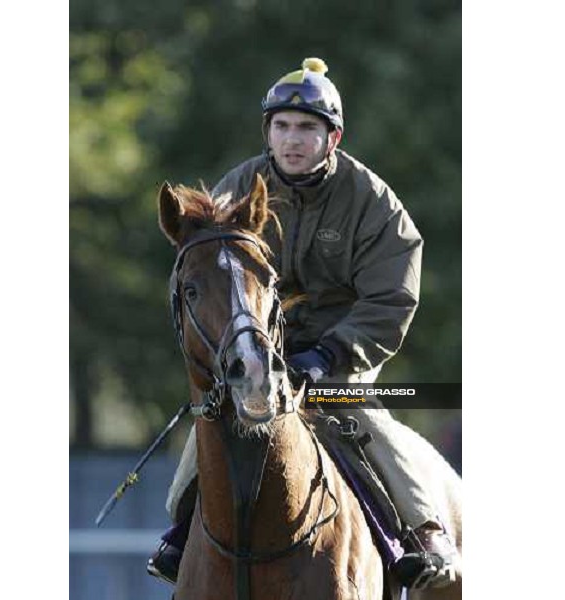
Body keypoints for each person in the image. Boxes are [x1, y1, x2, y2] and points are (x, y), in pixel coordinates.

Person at [148, 57, 457, 589]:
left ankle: (427, 533)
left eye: (307, 128)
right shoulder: (240, 186)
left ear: (333, 137)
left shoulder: (374, 201)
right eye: (282, 127)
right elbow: (207, 274)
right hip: (253, 348)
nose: (293, 139)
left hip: (340, 359)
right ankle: (180, 535)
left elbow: (393, 298)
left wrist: (331, 355)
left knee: (367, 422)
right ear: (268, 132)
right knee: (209, 420)